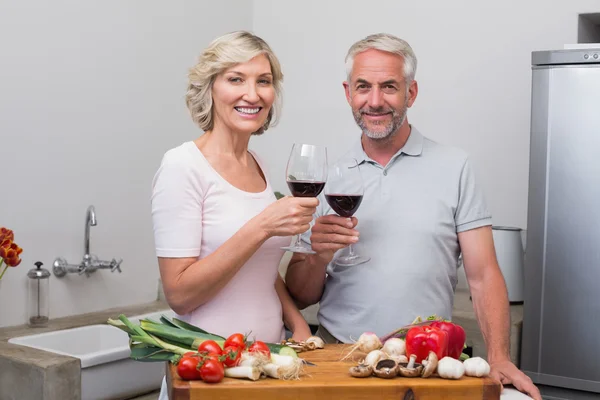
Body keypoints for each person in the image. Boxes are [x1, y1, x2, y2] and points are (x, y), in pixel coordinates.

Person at [284, 33, 541, 400]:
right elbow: (300, 294)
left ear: (411, 93)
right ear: (348, 93)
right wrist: (319, 256)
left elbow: (483, 275)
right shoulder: (329, 178)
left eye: (389, 86)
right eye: (363, 87)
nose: (374, 101)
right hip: (339, 356)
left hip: (429, 361)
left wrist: (498, 356)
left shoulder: (455, 167)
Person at [151, 31, 314, 398]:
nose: (252, 94)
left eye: (264, 81)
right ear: (209, 88)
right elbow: (180, 293)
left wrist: (296, 322)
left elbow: (260, 268)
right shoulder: (182, 166)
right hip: (210, 370)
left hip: (268, 365)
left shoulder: (261, 165)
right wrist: (261, 226)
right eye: (235, 79)